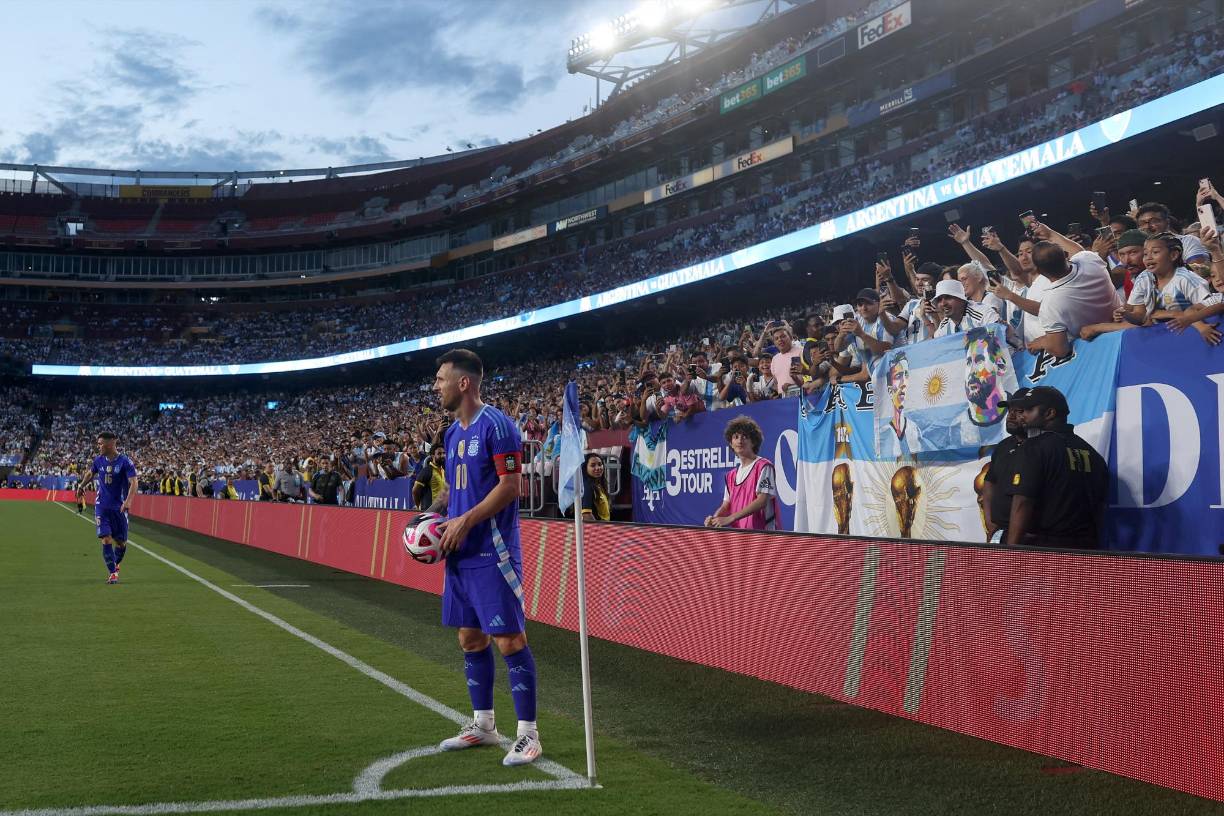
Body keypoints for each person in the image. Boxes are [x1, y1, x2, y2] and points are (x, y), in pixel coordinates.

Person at [427, 349, 539, 767]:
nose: (436, 387)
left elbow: (511, 485)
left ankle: (528, 735)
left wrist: (466, 521)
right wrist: (434, 513)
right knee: (470, 639)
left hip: (493, 551)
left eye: (441, 379)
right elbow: (455, 488)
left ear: (464, 383)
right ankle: (484, 725)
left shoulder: (498, 426)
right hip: (459, 552)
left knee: (510, 639)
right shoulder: (451, 434)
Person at [1001, 386, 1108, 549]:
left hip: (1046, 549)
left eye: (1029, 409)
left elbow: (1022, 501)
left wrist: (1011, 551)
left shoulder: (1034, 448)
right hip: (1088, 549)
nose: (1023, 415)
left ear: (1049, 413)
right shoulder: (1093, 454)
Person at [77, 431, 138, 585]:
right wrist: (81, 486)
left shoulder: (125, 462)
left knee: (121, 542)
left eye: (101, 444)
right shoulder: (98, 460)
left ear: (111, 443)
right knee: (106, 538)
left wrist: (128, 501)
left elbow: (134, 482)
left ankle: (116, 565)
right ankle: (112, 573)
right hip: (102, 506)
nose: (98, 446)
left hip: (119, 507)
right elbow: (90, 473)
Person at [704, 416, 781, 530]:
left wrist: (731, 518)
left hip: (763, 534)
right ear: (731, 443)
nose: (740, 441)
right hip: (740, 535)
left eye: (744, 437)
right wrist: (714, 519)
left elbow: (762, 501)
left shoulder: (764, 466)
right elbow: (726, 505)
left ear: (753, 442)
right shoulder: (730, 476)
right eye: (736, 437)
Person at [981, 389, 1030, 543]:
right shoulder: (1003, 446)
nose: (1011, 416)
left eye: (1019, 411)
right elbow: (989, 482)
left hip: (1029, 536)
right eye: (1010, 410)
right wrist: (989, 522)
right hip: (1000, 532)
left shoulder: (1042, 448)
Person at [413, 444, 448, 510]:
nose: (442, 456)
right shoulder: (427, 471)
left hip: (442, 510)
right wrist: (418, 506)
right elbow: (415, 491)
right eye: (439, 454)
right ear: (432, 456)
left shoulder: (443, 470)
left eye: (444, 453)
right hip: (430, 510)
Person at [578, 452, 611, 522]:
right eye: (593, 465)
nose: (598, 468)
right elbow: (586, 515)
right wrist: (599, 528)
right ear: (585, 468)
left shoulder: (598, 485)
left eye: (600, 464)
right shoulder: (587, 487)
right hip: (596, 527)